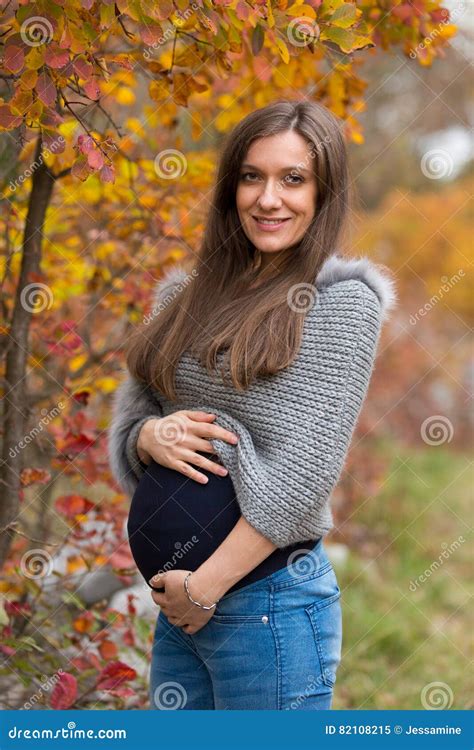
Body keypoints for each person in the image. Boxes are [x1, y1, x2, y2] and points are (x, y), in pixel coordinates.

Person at [108, 100, 397, 710]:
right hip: (178, 606)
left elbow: (305, 475)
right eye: (251, 176)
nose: (269, 199)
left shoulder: (342, 303)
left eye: (293, 179)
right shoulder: (182, 296)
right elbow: (135, 420)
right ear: (230, 186)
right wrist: (148, 438)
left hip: (268, 607)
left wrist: (205, 588)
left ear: (324, 193)